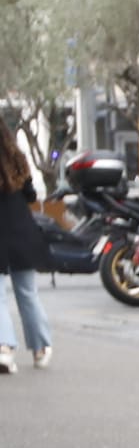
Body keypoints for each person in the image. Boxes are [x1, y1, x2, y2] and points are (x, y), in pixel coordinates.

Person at [0, 126, 54, 373]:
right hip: (21, 233)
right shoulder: (18, 161)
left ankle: (3, 348)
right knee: (28, 294)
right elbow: (31, 196)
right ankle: (40, 349)